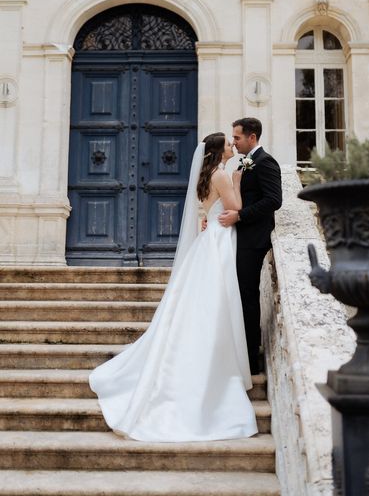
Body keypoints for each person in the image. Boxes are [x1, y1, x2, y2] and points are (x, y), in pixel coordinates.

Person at [89, 132, 258, 442]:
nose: (233, 146)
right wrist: (236, 181)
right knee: (218, 302)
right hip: (220, 240)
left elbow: (208, 211)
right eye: (229, 144)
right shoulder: (221, 175)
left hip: (209, 239)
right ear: (219, 151)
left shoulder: (205, 176)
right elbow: (234, 209)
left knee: (204, 302)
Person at [219, 118, 282, 375]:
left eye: (237, 138)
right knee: (241, 296)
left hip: (253, 240)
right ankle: (241, 354)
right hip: (240, 239)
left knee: (247, 297)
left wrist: (241, 217)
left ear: (252, 137)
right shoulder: (244, 163)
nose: (234, 142)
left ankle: (250, 358)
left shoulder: (266, 163)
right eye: (232, 138)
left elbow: (274, 200)